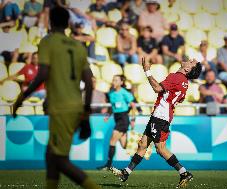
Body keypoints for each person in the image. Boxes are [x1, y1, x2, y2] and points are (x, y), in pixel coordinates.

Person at [13, 7, 100, 189]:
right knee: (50, 155)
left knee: (59, 160)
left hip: (60, 107)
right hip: (75, 106)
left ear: (50, 22)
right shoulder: (78, 46)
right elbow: (90, 83)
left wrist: (22, 97)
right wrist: (85, 111)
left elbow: (43, 73)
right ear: (68, 23)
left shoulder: (48, 42)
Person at [110, 56, 202, 189]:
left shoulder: (176, 77)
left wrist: (147, 71)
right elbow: (178, 98)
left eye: (192, 61)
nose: (190, 59)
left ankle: (184, 173)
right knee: (142, 144)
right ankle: (126, 173)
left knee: (160, 149)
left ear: (188, 68)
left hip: (160, 116)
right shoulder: (185, 82)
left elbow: (157, 88)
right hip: (164, 116)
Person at [98, 75, 135, 170]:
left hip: (123, 119)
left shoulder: (124, 93)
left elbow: (133, 105)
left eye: (116, 80)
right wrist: (108, 115)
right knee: (124, 145)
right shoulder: (111, 93)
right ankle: (139, 145)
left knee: (112, 140)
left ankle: (108, 165)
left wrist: (133, 120)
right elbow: (113, 106)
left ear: (121, 82)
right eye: (113, 80)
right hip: (117, 118)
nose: (113, 82)